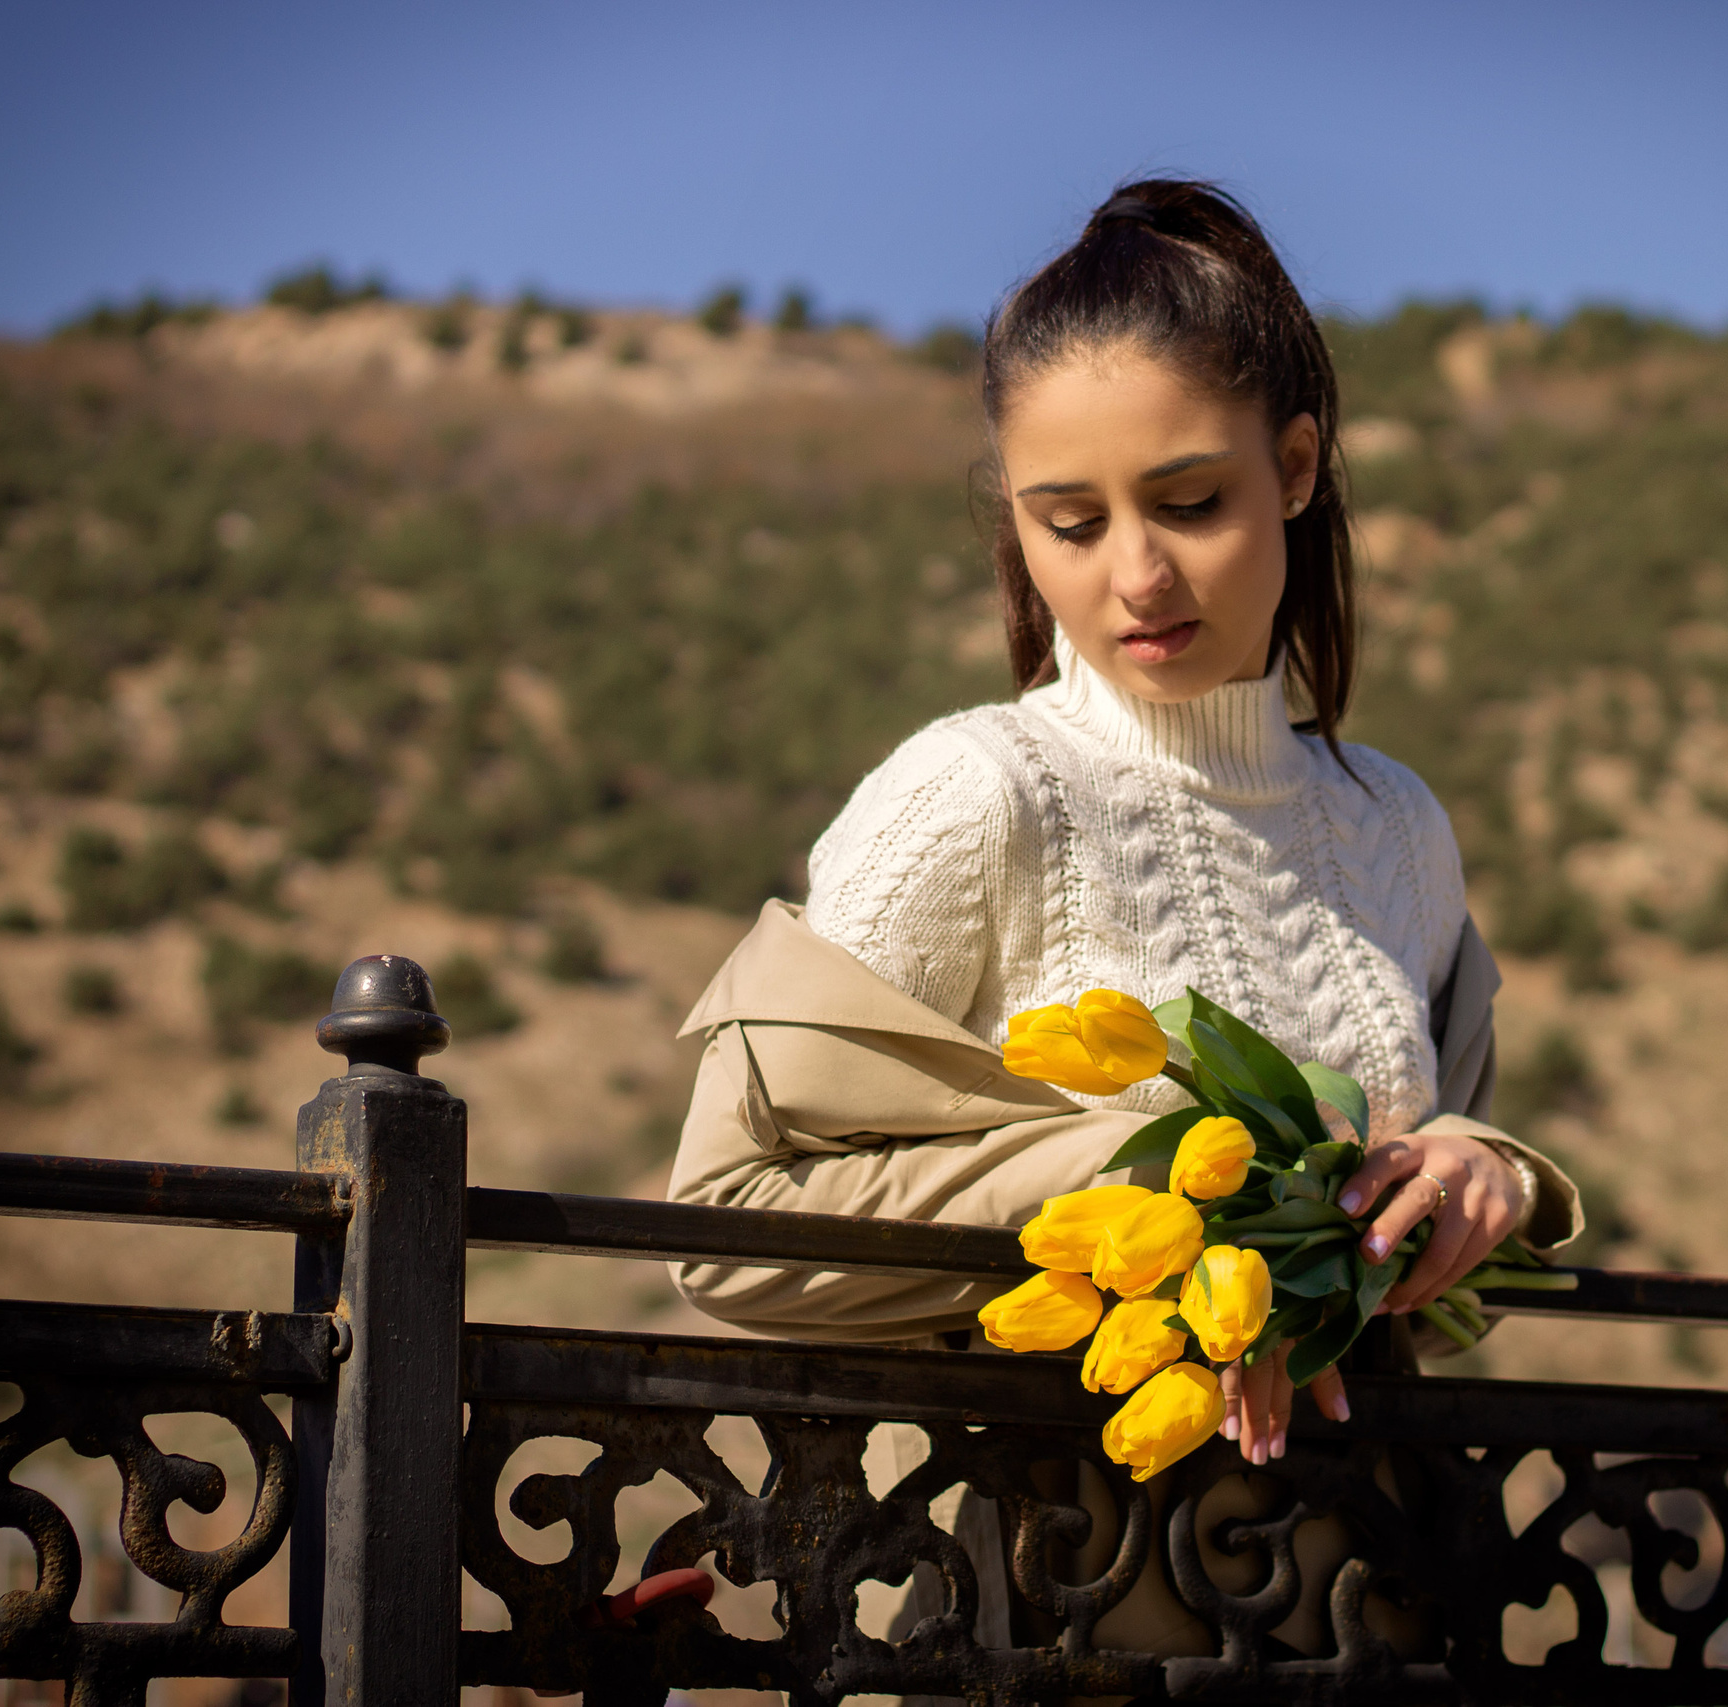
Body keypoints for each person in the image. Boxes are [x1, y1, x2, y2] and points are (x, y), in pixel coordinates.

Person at [667, 179, 1578, 1471]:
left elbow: (1405, 1249)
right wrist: (1143, 1179)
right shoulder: (973, 793)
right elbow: (726, 1224)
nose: (1136, 577)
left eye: (1192, 503)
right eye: (1073, 524)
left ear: (1299, 467)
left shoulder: (1398, 828)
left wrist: (1485, 1174)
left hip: (1348, 1591)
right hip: (1026, 1582)